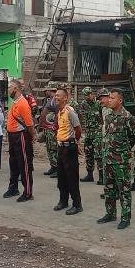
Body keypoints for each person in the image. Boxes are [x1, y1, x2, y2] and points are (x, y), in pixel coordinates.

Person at [98, 88, 135, 229]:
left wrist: (123, 150)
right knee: (108, 188)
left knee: (124, 190)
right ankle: (110, 213)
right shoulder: (108, 115)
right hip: (107, 159)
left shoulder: (127, 117)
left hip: (121, 161)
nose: (109, 100)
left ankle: (125, 217)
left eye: (112, 98)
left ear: (120, 101)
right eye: (108, 97)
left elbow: (134, 136)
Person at [52, 84, 83, 215]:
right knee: (61, 177)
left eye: (58, 96)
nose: (56, 97)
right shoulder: (59, 112)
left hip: (69, 148)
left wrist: (74, 142)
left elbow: (78, 129)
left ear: (65, 98)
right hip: (61, 148)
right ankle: (63, 201)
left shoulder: (70, 112)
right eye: (55, 95)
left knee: (72, 178)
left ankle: (77, 204)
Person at [4, 79, 36, 202]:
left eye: (9, 88)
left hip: (21, 136)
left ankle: (28, 192)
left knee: (24, 164)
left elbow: (29, 124)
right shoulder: (15, 102)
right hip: (13, 136)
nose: (8, 90)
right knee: (13, 163)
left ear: (15, 89)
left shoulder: (22, 103)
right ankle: (13, 188)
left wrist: (33, 136)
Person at [78, 87, 100, 182]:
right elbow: (81, 116)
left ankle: (102, 176)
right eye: (85, 95)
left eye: (88, 95)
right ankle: (90, 175)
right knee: (88, 154)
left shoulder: (98, 104)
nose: (87, 97)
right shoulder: (84, 104)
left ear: (92, 94)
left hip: (98, 133)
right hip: (88, 133)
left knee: (99, 155)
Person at [40, 83, 59, 178]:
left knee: (54, 148)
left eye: (46, 90)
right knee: (49, 148)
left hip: (52, 129)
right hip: (47, 128)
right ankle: (53, 166)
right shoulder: (49, 100)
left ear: (50, 90)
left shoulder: (55, 100)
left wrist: (54, 126)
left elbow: (58, 113)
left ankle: (57, 168)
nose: (45, 92)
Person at [94, 88, 110, 189]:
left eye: (102, 99)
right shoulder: (104, 109)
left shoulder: (113, 109)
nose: (100, 101)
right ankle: (108, 189)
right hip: (105, 140)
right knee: (105, 164)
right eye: (99, 99)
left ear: (108, 97)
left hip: (112, 142)